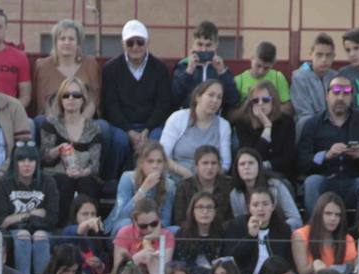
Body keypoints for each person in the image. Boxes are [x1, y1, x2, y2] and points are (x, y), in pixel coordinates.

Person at [296, 74, 359, 213]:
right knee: (312, 182)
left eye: (346, 93)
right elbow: (302, 161)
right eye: (336, 92)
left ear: (351, 97)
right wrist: (326, 155)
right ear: (327, 96)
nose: (340, 97)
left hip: (354, 180)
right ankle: (313, 231)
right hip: (325, 180)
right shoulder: (312, 124)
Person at [99, 21, 171, 171]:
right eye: (130, 43)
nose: (135, 47)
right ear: (123, 44)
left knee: (157, 140)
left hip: (151, 125)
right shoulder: (111, 69)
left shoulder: (160, 69)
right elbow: (111, 105)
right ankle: (112, 180)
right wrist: (129, 131)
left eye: (140, 42)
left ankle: (157, 180)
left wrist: (147, 130)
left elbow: (163, 104)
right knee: (119, 141)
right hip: (122, 126)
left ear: (147, 42)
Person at [38, 75, 103, 222]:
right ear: (61, 100)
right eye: (66, 95)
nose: (71, 99)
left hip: (83, 173)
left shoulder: (93, 128)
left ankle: (90, 226)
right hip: (56, 173)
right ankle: (60, 227)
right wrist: (58, 149)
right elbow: (44, 158)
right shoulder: (50, 124)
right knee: (63, 182)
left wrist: (81, 173)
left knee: (87, 183)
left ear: (83, 100)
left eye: (76, 95)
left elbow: (95, 165)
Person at [0, 142, 56, 274]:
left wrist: (15, 217)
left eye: (31, 160)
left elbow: (52, 219)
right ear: (15, 162)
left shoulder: (48, 182)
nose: (27, 164)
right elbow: (2, 222)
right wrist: (31, 213)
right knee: (23, 235)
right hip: (15, 232)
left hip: (42, 231)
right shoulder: (3, 184)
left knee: (40, 235)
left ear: (37, 163)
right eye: (21, 160)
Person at [160, 80, 230, 179]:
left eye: (219, 97)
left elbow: (225, 163)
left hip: (209, 180)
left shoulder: (224, 125)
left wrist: (207, 177)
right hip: (177, 177)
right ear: (198, 97)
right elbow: (162, 155)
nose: (215, 100)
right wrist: (186, 174)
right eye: (211, 95)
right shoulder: (178, 118)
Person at [32, 19, 102, 119]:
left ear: (78, 43)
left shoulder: (91, 65)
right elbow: (42, 104)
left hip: (85, 121)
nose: (67, 42)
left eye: (71, 39)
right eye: (62, 38)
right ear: (55, 42)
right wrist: (60, 125)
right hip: (52, 121)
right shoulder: (43, 66)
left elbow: (94, 101)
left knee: (103, 127)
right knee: (39, 121)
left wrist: (79, 123)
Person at [229, 81, 296, 184]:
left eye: (265, 100)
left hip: (279, 174)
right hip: (251, 175)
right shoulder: (243, 124)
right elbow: (250, 156)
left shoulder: (286, 122)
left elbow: (288, 157)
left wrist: (264, 165)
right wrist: (267, 128)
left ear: (273, 101)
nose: (260, 103)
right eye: (255, 100)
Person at [228, 185, 295, 274]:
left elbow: (287, 261)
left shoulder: (283, 229)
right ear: (249, 208)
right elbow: (234, 258)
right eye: (255, 205)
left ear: (273, 206)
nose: (260, 209)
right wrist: (251, 236)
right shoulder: (237, 225)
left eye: (265, 204)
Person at [103, 140, 172, 234]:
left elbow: (166, 220)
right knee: (126, 223)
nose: (155, 166)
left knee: (175, 230)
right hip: (126, 229)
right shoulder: (127, 178)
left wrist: (150, 228)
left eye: (159, 161)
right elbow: (122, 215)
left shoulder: (169, 185)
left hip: (153, 230)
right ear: (141, 163)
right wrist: (143, 189)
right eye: (150, 161)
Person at [172, 21, 237, 114]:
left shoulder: (222, 69)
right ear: (193, 44)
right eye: (199, 44)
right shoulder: (183, 66)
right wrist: (189, 71)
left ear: (216, 45)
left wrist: (222, 73)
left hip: (213, 119)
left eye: (208, 45)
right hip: (187, 118)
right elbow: (174, 98)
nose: (203, 49)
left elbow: (233, 100)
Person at [292, 191, 356, 274]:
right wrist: (314, 266)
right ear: (319, 213)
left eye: (337, 215)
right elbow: (303, 273)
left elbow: (350, 268)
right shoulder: (300, 234)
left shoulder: (347, 239)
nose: (333, 218)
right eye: (328, 213)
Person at [231, 146, 301, 231]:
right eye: (242, 164)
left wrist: (276, 231)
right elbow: (240, 225)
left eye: (251, 163)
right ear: (237, 169)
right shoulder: (235, 194)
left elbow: (296, 220)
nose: (246, 167)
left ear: (259, 166)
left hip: (278, 236)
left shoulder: (276, 186)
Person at [111, 198, 173, 274]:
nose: (149, 229)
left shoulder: (167, 235)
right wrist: (136, 259)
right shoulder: (124, 233)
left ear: (159, 219)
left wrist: (147, 241)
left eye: (154, 224)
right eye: (143, 226)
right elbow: (118, 271)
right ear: (134, 222)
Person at [175, 145, 235, 232]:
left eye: (214, 163)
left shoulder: (228, 184)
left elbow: (231, 218)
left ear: (219, 166)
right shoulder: (184, 186)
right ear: (196, 166)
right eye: (205, 163)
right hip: (192, 233)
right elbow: (179, 219)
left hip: (222, 233)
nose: (209, 167)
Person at [59, 194, 111, 274]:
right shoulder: (68, 231)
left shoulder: (97, 237)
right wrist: (88, 223)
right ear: (75, 215)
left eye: (93, 214)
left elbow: (104, 263)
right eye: (85, 214)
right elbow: (78, 230)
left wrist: (99, 265)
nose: (90, 218)